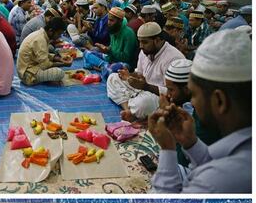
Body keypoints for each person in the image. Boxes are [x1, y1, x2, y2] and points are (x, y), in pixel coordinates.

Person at [149, 29, 251, 193]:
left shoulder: (215, 182)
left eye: (194, 94)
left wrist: (167, 148)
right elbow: (213, 161)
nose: (193, 101)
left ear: (219, 101)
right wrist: (190, 143)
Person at [107, 22, 185, 121]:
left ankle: (134, 108)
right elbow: (140, 73)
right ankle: (128, 110)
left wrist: (145, 86)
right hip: (142, 89)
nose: (141, 46)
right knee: (113, 78)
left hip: (159, 96)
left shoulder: (173, 58)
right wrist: (129, 76)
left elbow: (174, 94)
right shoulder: (145, 51)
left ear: (157, 40)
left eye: (144, 42)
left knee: (143, 104)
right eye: (140, 42)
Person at [159, 59, 222, 167]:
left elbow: (182, 160)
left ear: (187, 89)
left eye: (171, 90)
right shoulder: (193, 106)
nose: (168, 94)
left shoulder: (204, 116)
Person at [17, 17, 73, 86]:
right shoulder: (40, 39)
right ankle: (37, 79)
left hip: (31, 66)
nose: (59, 37)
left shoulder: (41, 35)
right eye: (58, 34)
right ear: (51, 31)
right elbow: (45, 65)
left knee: (54, 65)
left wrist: (59, 59)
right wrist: (63, 64)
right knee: (59, 73)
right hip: (27, 74)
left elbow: (44, 54)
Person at [83, 7, 138, 75]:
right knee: (87, 53)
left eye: (111, 20)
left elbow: (126, 58)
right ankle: (103, 66)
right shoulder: (113, 29)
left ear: (120, 21)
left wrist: (109, 51)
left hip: (125, 64)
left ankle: (101, 67)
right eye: (108, 20)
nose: (108, 23)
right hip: (111, 59)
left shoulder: (128, 33)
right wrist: (106, 50)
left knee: (111, 70)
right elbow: (111, 49)